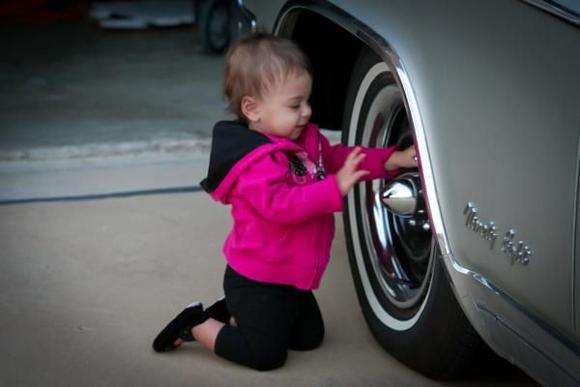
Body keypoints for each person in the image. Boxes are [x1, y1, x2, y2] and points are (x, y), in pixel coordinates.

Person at [152, 33, 417, 371]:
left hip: (289, 274)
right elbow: (282, 206)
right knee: (266, 357)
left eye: (307, 101)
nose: (307, 112)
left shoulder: (305, 140)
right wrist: (333, 188)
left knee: (309, 338)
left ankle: (232, 310)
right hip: (256, 279)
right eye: (294, 105)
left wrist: (390, 160)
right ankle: (196, 324)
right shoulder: (253, 164)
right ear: (253, 109)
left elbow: (338, 158)